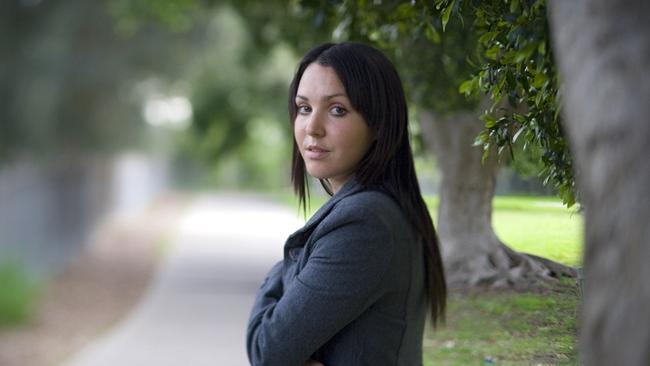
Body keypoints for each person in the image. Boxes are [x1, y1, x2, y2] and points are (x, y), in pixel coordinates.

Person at [246, 42, 447, 366]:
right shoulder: (379, 209)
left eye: (337, 109)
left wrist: (284, 269)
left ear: (379, 124)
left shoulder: (364, 224)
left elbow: (266, 349)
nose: (312, 128)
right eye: (303, 108)